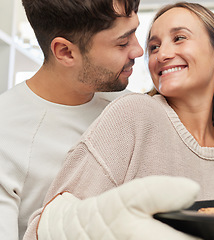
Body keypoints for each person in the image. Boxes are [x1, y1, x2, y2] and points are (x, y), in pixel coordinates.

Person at [24, 2, 214, 239]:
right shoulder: (133, 115)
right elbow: (42, 226)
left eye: (180, 38)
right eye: (154, 46)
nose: (161, 54)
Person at [0, 0, 144, 239]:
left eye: (135, 33)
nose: (138, 50)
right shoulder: (5, 133)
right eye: (122, 42)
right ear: (65, 52)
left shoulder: (133, 110)